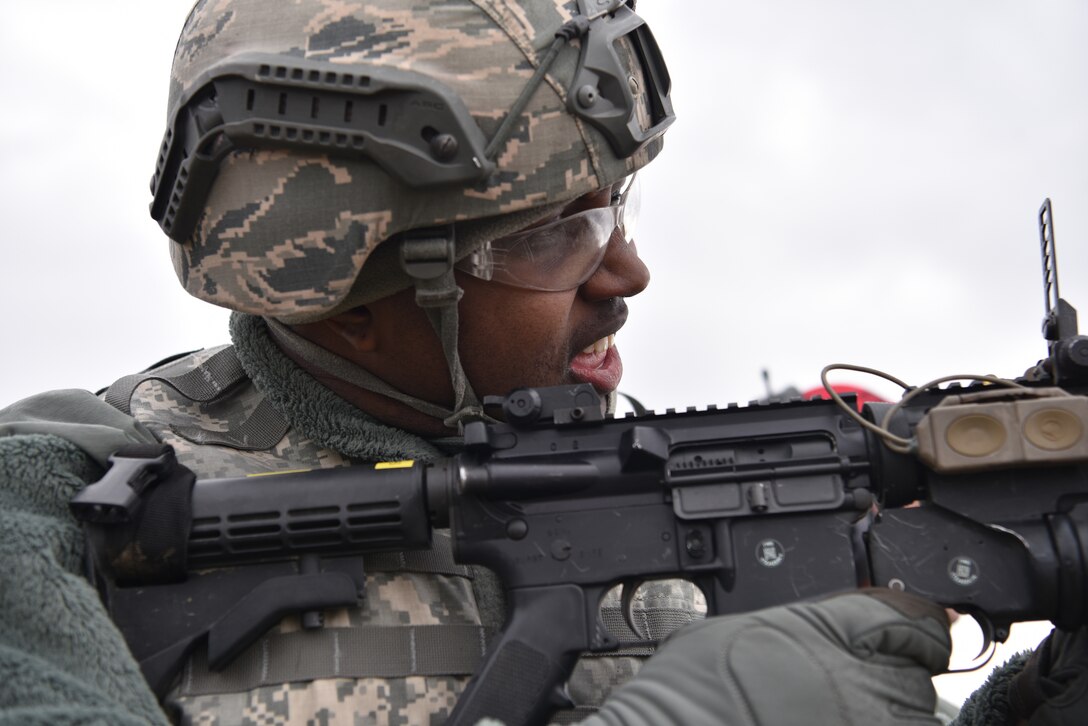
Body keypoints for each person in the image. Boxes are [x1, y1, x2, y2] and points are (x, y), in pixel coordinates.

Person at [0, 1, 1082, 725]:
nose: (627, 271)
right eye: (545, 236)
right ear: (349, 297)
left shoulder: (672, 473)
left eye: (615, 208)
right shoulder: (72, 507)